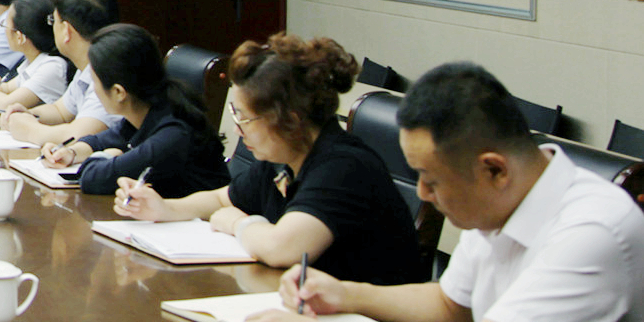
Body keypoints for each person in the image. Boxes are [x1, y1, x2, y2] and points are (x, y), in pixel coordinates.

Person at [237, 62, 644, 322]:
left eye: (431, 180)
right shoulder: (499, 201)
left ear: (494, 169)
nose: (422, 193)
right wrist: (348, 295)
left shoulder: (594, 227)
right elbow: (450, 307)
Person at [115, 33, 428, 284]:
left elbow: (282, 248)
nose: (238, 130)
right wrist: (165, 208)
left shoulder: (344, 166)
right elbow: (222, 199)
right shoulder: (283, 156)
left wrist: (239, 223)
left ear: (289, 120)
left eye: (245, 119)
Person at [37, 23, 228, 198]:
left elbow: (94, 178)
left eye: (95, 82)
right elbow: (101, 140)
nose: (93, 89)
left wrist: (107, 155)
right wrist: (71, 152)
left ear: (119, 92)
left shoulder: (173, 133)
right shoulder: (148, 109)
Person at [2, 0, 124, 145]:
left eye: (53, 20)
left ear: (66, 31)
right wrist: (28, 115)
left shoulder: (108, 73)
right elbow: (60, 111)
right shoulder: (86, 67)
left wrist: (29, 129)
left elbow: (77, 136)